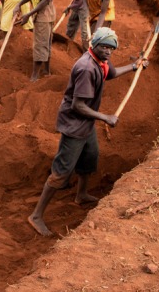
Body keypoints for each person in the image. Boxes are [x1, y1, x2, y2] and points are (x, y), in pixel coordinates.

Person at [27, 27, 147, 237]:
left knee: (90, 157)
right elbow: (78, 105)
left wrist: (134, 66)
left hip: (86, 124)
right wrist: (105, 117)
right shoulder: (86, 68)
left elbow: (112, 73)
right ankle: (36, 215)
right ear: (94, 45)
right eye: (104, 47)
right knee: (61, 171)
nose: (108, 52)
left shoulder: (100, 60)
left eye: (111, 48)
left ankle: (81, 194)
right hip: (75, 125)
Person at [14, 0, 55, 81]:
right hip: (39, 16)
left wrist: (29, 14)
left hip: (45, 16)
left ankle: (35, 75)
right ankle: (46, 72)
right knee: (44, 43)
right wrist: (19, 4)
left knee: (40, 45)